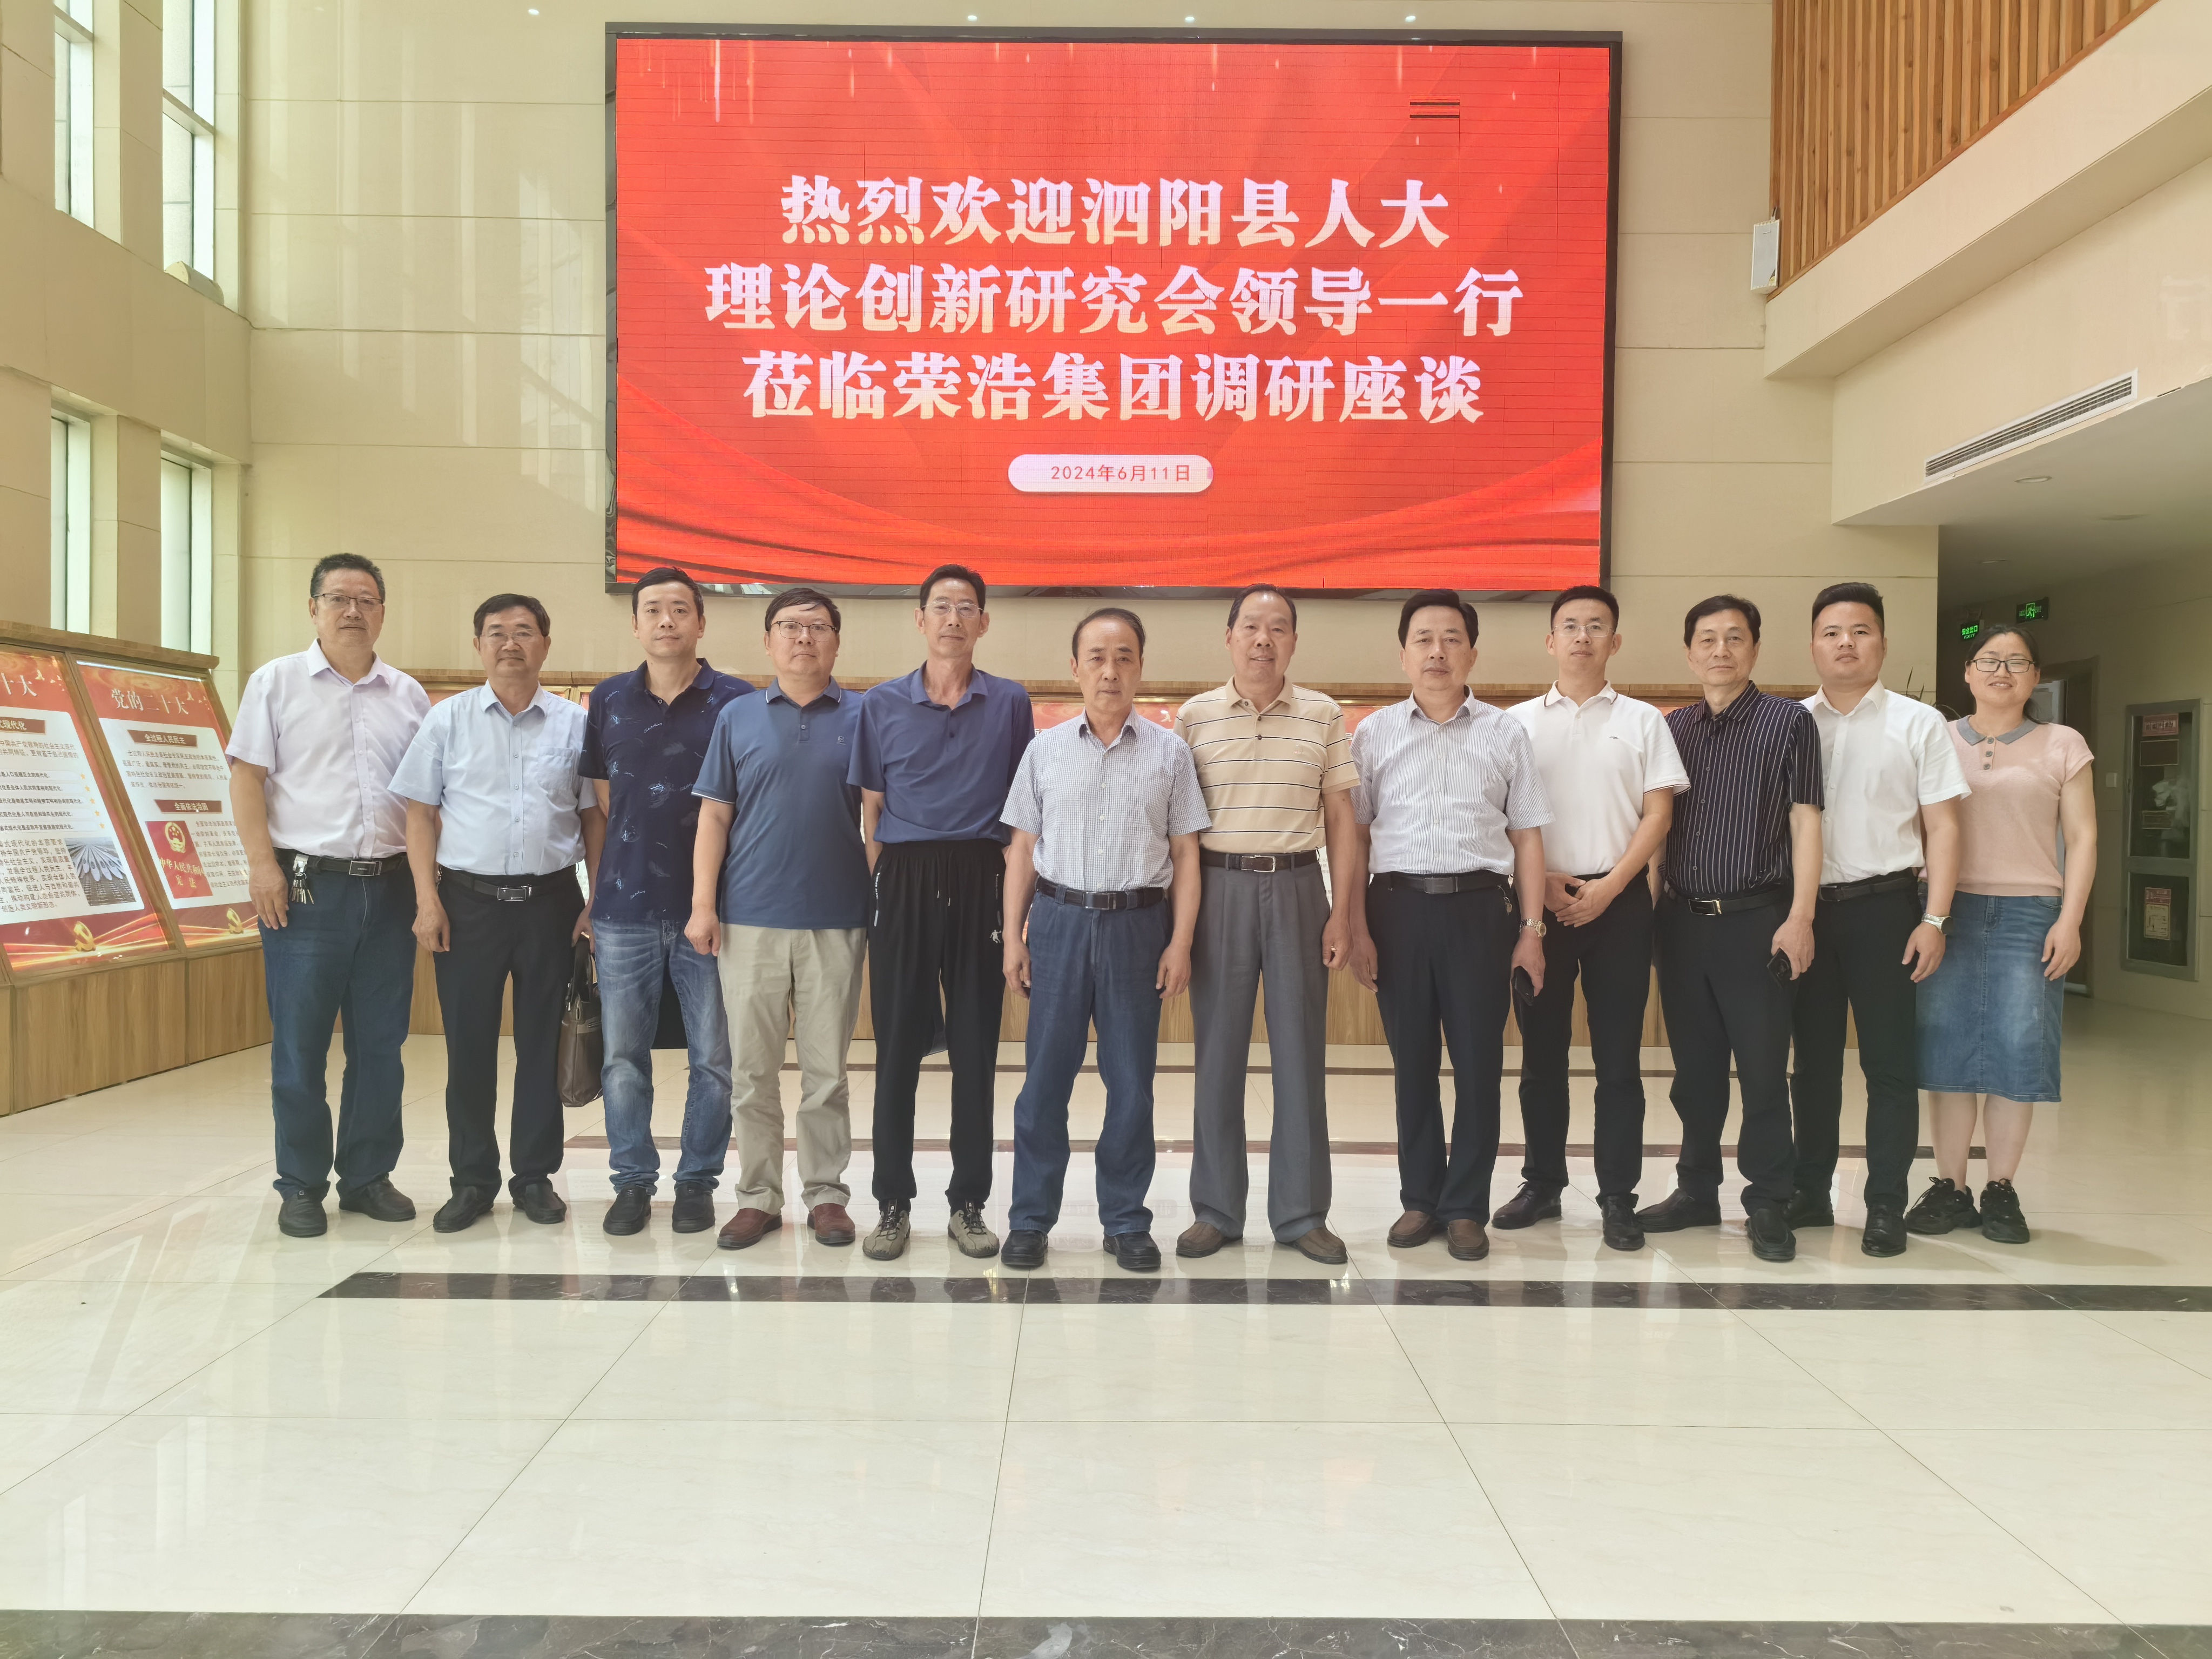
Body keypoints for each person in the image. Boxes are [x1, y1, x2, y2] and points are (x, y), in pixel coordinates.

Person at [999, 608, 1209, 1273]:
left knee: (1131, 1084)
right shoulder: (1044, 751)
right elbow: (1021, 850)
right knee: (1043, 1082)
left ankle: (1125, 1220)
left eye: (1123, 657)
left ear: (1140, 667)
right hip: (1057, 923)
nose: (1109, 671)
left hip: (1137, 928)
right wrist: (1013, 938)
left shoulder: (1170, 754)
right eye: (1096, 657)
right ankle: (1030, 1219)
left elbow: (1187, 855)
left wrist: (1180, 942)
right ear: (1075, 668)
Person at [227, 553, 429, 1240]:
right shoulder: (276, 682)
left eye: (365, 600)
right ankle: (302, 1184)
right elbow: (247, 779)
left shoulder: (407, 695)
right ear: (313, 608)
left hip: (391, 888)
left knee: (381, 1045)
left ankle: (368, 1177)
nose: (352, 611)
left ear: (382, 613)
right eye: (338, 598)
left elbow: (425, 803)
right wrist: (262, 866)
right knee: (300, 1046)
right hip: (304, 889)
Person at [1347, 590, 1552, 1264]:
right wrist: (1355, 923)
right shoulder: (1373, 734)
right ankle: (1419, 1199)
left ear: (1472, 652)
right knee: (1411, 1064)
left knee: (1477, 1064)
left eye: (1451, 639)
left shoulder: (1505, 733)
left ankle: (1464, 1207)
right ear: (1403, 653)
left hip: (1479, 911)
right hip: (1396, 909)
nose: (1437, 652)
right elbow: (1356, 836)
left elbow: (1527, 838)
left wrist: (1531, 930)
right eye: (1424, 639)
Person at [393, 594, 599, 1232]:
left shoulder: (576, 724)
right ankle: (473, 1181)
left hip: (552, 904)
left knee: (543, 1047)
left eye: (524, 632)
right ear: (478, 645)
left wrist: (597, 900)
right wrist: (427, 900)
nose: (510, 644)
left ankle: (535, 1178)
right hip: (467, 906)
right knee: (469, 1050)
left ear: (546, 644)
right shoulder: (447, 720)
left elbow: (593, 817)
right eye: (496, 633)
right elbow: (420, 815)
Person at [849, 564, 1034, 1262]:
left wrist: (1017, 916)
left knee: (975, 1048)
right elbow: (871, 814)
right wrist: (870, 903)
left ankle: (968, 1203)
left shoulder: (1010, 702)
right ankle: (892, 1203)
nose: (953, 619)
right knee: (896, 1046)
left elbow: (1023, 818)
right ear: (920, 619)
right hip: (903, 877)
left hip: (981, 874)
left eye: (966, 608)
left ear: (984, 622)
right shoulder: (880, 704)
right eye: (940, 607)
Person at [1172, 585, 1361, 1265]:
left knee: (1300, 1056)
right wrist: (1180, 926)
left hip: (1296, 889)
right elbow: (1179, 830)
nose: (1262, 639)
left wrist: (1342, 911)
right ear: (1229, 638)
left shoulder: (1322, 714)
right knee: (1217, 1055)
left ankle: (1302, 1213)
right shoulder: (1194, 717)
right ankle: (1216, 1211)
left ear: (1293, 642)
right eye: (1250, 626)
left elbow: (1341, 818)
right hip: (1217, 888)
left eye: (1277, 628)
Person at [1638, 595, 1823, 1264]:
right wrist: (1647, 919)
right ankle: (1695, 1191)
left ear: (1754, 648)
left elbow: (1806, 822)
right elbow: (1657, 831)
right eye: (1707, 639)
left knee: (1764, 1070)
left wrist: (1800, 917)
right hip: (1681, 924)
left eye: (1734, 638)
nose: (1720, 650)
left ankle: (1768, 1200)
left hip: (1758, 923)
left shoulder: (1790, 722)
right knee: (1695, 1074)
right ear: (1689, 653)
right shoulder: (1672, 729)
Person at [1505, 585, 1687, 1252]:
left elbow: (1658, 815)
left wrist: (1611, 886)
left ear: (1615, 641)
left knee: (1618, 1060)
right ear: (1550, 641)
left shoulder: (1644, 721)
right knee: (1541, 1057)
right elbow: (1501, 816)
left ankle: (1617, 1196)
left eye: (1596, 626)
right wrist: (1542, 884)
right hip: (1540, 907)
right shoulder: (1515, 724)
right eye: (1570, 626)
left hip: (1620, 904)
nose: (1582, 636)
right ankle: (1542, 1183)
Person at [688, 587, 869, 1251]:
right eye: (789, 626)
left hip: (837, 919)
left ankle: (826, 1195)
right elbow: (714, 815)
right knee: (751, 1073)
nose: (803, 637)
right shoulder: (737, 716)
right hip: (749, 921)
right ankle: (758, 1198)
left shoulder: (865, 715)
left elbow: (878, 817)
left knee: (827, 1075)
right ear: (768, 642)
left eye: (817, 626)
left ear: (836, 641)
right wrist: (703, 905)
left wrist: (880, 902)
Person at [1791, 583, 1968, 1257]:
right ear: (1813, 645)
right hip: (1807, 914)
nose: (1846, 643)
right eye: (1832, 632)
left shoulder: (1918, 724)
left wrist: (1935, 918)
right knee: (1811, 1066)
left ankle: (1885, 1205)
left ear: (1883, 644)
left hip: (1886, 912)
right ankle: (1809, 1192)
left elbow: (1944, 828)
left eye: (1860, 631)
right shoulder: (1790, 723)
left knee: (1889, 1068)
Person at [580, 567, 753, 1237]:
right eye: (652, 609)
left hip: (713, 911)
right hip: (623, 908)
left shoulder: (735, 701)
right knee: (624, 1057)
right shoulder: (608, 700)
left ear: (701, 623)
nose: (666, 621)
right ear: (635, 625)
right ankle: (631, 1182)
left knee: (714, 1059)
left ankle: (696, 1183)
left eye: (680, 609)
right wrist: (594, 896)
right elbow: (602, 804)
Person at [1910, 625, 2094, 1245]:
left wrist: (2070, 920)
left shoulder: (2062, 743)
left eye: (2017, 662)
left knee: (2019, 1052)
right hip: (1947, 910)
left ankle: (2001, 1189)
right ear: (1967, 672)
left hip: (2030, 914)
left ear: (2035, 676)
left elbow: (2083, 838)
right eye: (1989, 660)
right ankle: (1950, 1186)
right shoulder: (1937, 738)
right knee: (1946, 1052)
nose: (2001, 671)